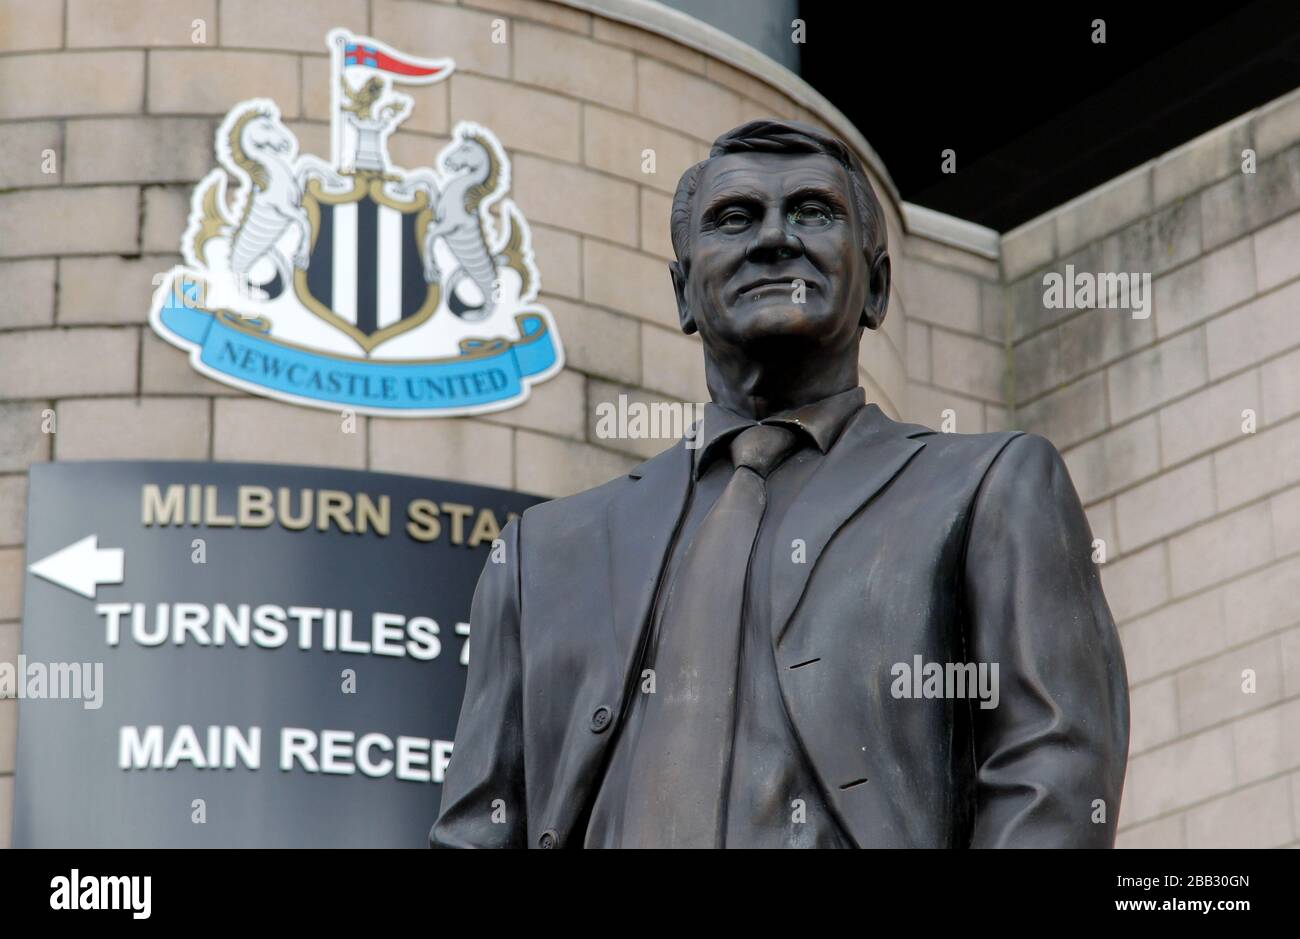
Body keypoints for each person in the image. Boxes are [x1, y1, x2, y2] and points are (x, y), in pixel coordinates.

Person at [431, 119, 1129, 849]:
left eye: (812, 212)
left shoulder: (989, 487)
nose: (772, 239)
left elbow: (1053, 769)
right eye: (734, 219)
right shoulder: (541, 556)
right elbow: (476, 832)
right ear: (682, 295)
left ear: (878, 286)